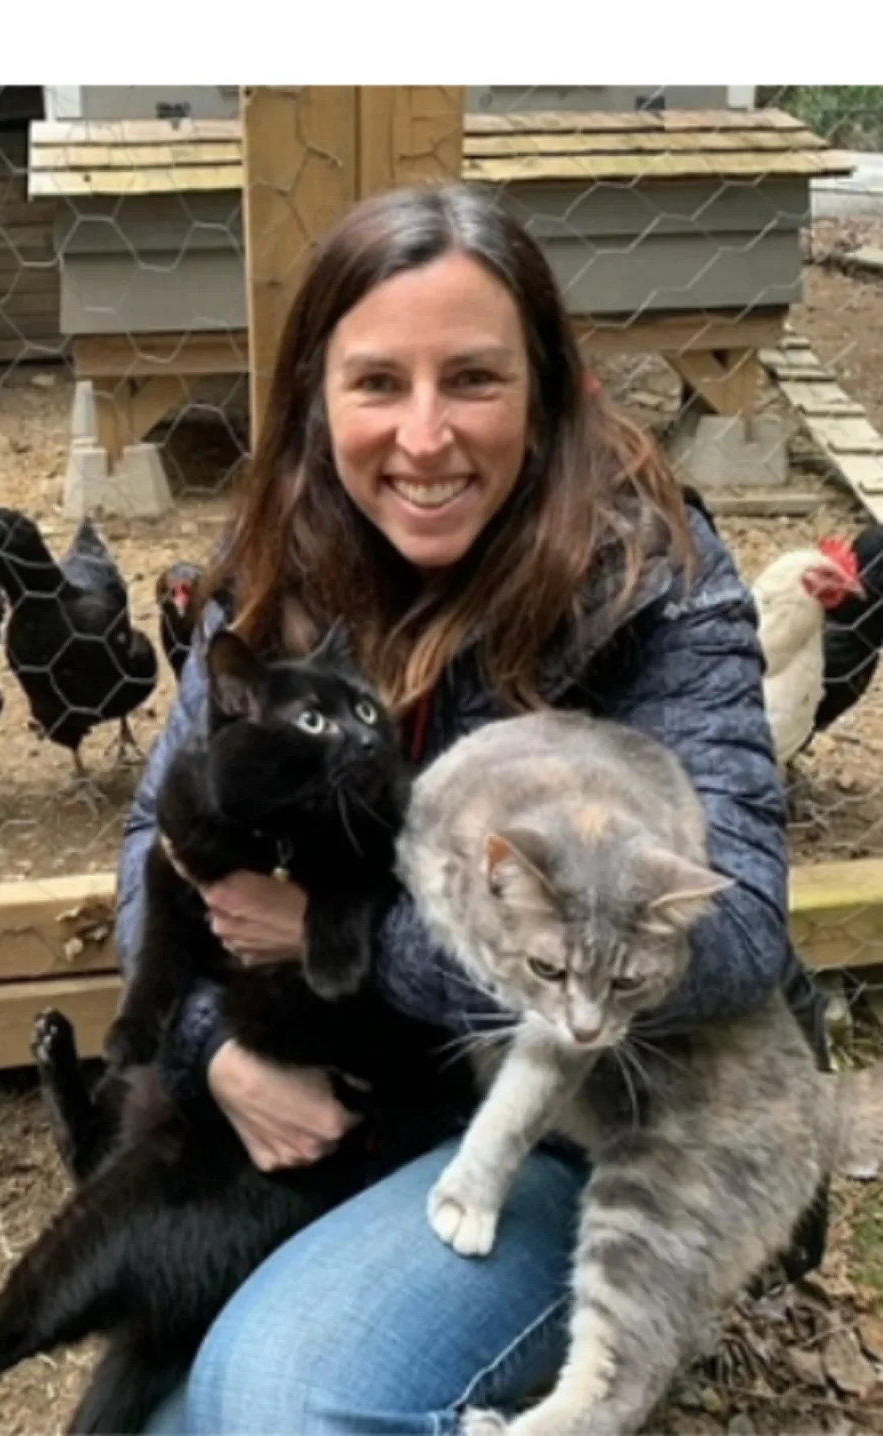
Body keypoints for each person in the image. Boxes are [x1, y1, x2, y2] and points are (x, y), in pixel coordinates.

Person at [112, 179, 829, 1434]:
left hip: (585, 1103)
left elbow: (743, 932)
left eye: (476, 380)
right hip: (356, 1077)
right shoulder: (276, 572)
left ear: (548, 391)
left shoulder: (655, 581)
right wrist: (213, 1052)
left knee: (274, 1392)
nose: (427, 435)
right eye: (379, 381)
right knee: (153, 1390)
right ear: (314, 399)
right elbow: (153, 844)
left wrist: (355, 945)